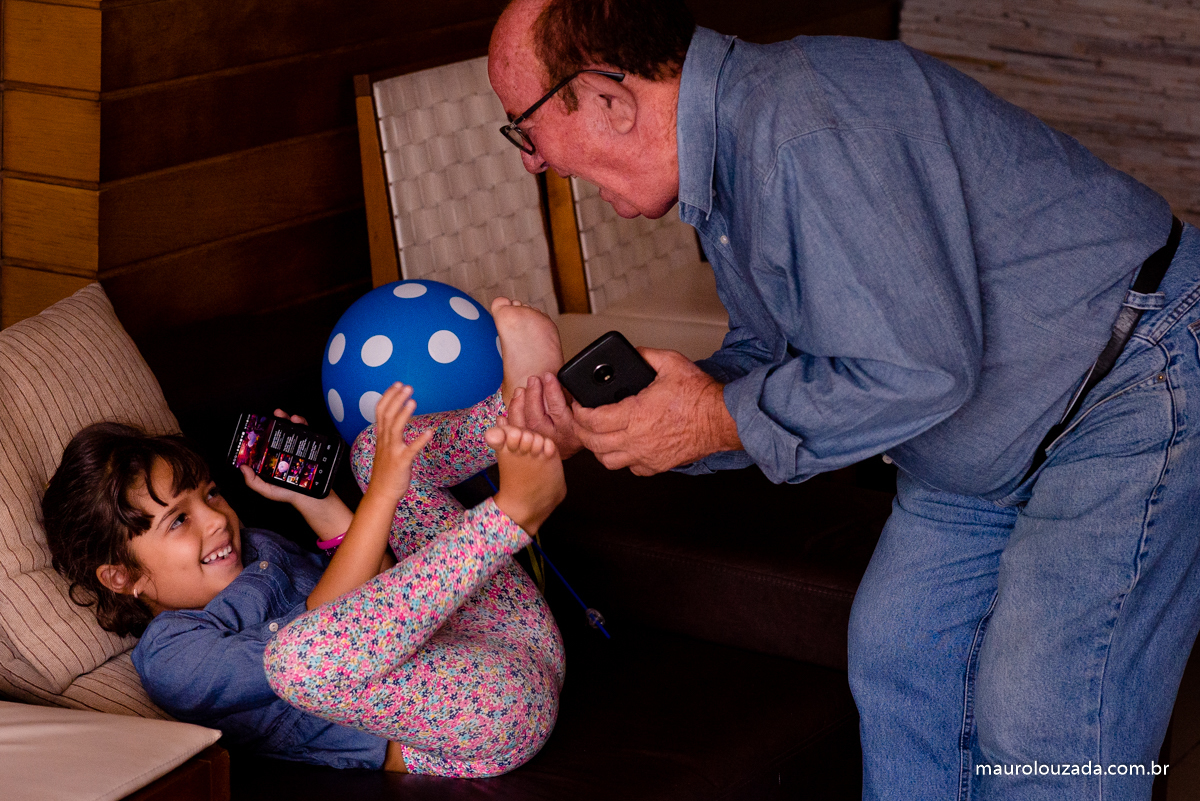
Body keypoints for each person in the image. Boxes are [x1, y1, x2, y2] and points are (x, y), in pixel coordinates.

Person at [488, 1, 1200, 798]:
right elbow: (782, 359)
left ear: (609, 97)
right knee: (902, 652)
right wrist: (630, 419)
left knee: (1042, 715)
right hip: (989, 421)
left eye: (524, 126)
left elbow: (917, 368)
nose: (533, 160)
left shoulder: (801, 131)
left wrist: (708, 418)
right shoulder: (732, 157)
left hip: (1126, 375)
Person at [42, 301, 572, 777]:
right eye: (178, 520)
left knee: (371, 450)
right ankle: (514, 513)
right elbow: (330, 636)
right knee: (298, 659)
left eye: (208, 494)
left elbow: (385, 586)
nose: (216, 520)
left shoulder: (261, 550)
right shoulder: (173, 659)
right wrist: (380, 496)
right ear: (122, 577)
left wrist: (314, 500)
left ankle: (522, 409)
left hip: (504, 633)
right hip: (489, 715)